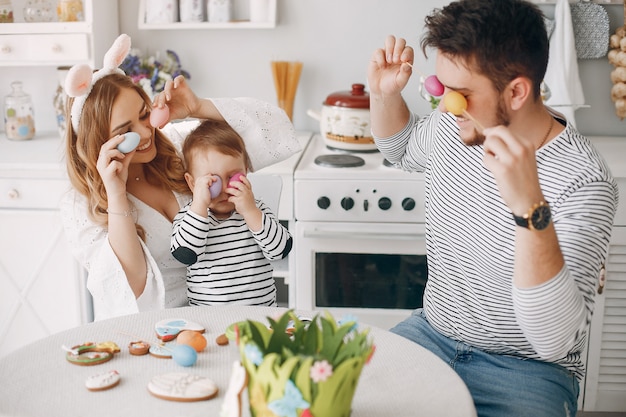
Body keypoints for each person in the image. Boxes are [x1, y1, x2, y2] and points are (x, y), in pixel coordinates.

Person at [367, 1, 619, 416]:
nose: (445, 103)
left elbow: (554, 339)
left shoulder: (584, 180)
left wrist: (529, 207)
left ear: (517, 91)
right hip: (432, 334)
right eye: (442, 86)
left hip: (528, 372)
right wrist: (382, 95)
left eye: (461, 94)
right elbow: (404, 149)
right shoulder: (456, 124)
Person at [59, 34, 299, 321]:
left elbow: (277, 131)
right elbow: (132, 288)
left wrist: (199, 107)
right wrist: (116, 193)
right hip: (157, 331)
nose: (147, 133)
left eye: (145, 114)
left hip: (229, 320)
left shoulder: (179, 148)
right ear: (100, 143)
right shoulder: (81, 205)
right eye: (127, 131)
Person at [171, 119, 292, 306]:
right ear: (193, 182)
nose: (225, 188)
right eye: (213, 181)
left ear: (246, 172)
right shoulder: (190, 217)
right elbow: (186, 254)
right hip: (211, 318)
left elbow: (280, 250)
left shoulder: (256, 210)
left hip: (258, 317)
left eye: (233, 177)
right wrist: (199, 205)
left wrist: (250, 211)